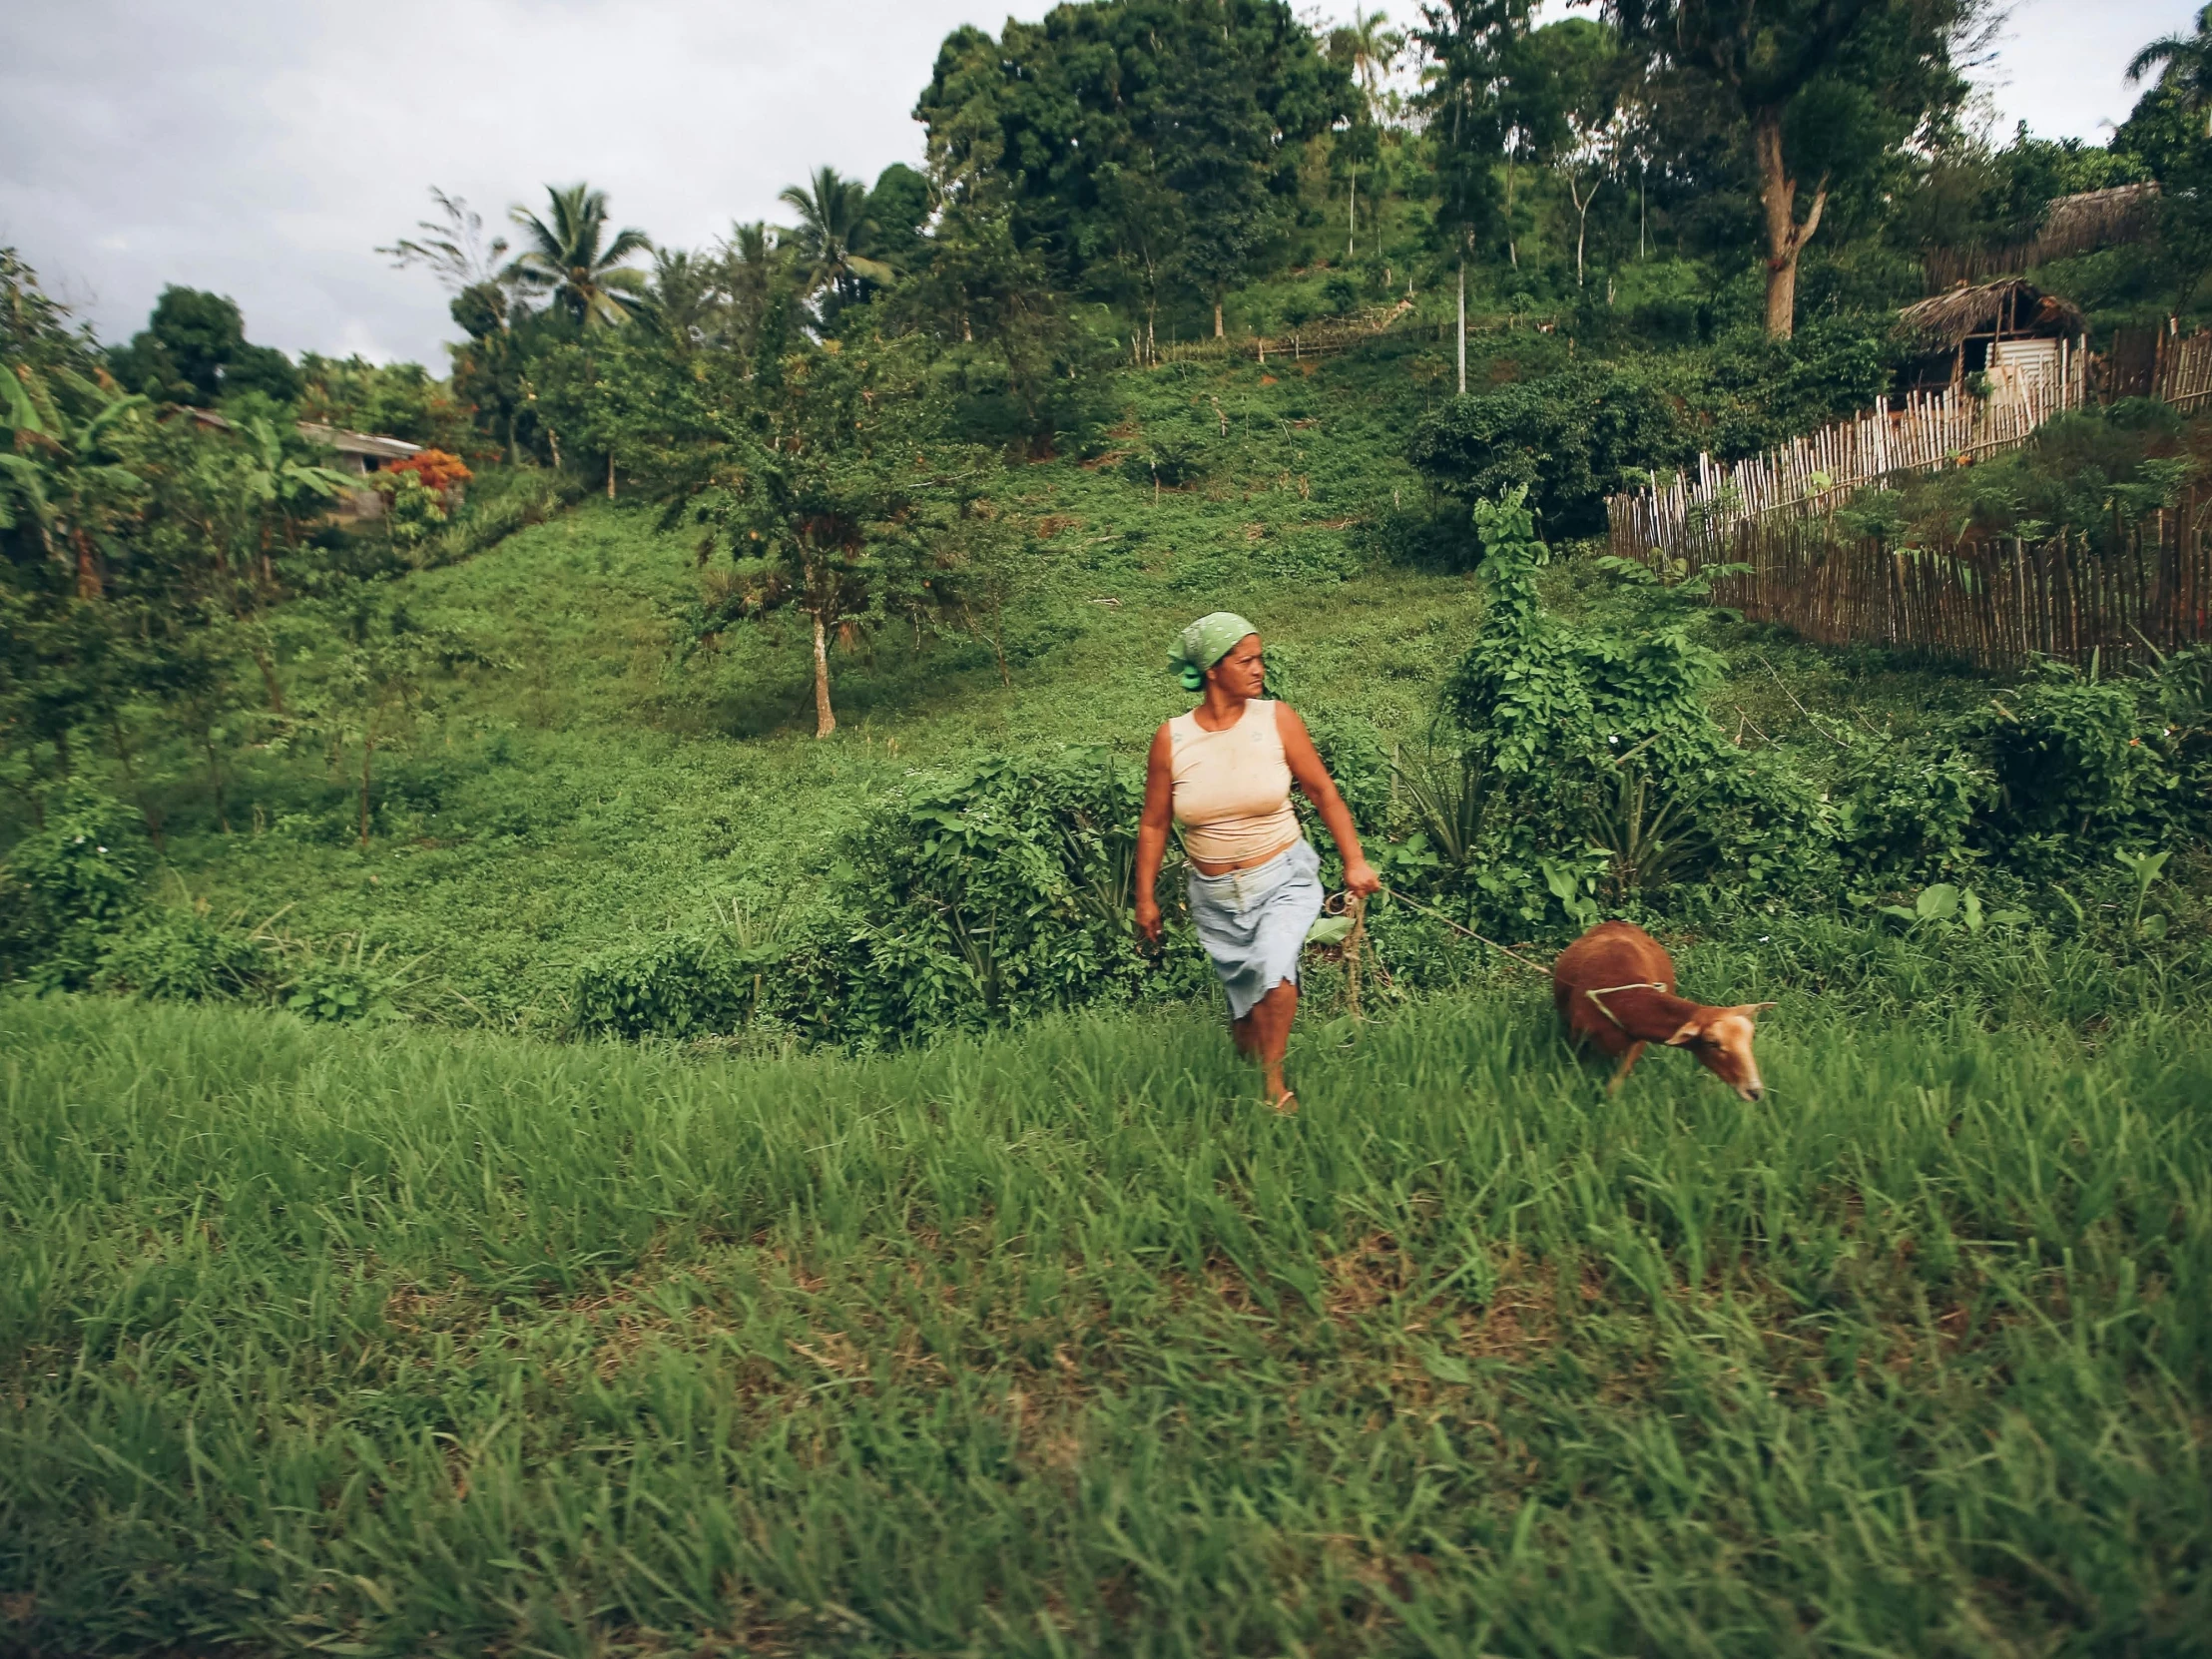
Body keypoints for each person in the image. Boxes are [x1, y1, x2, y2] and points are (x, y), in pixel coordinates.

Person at [1133, 612, 1381, 1112]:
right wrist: (1144, 900)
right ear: (1212, 669)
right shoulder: (1173, 739)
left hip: (1284, 875)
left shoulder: (1276, 719)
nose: (1258, 668)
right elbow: (1154, 824)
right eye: (1245, 659)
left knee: (1275, 967)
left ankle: (1274, 1087)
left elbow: (1322, 792)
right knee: (1247, 1021)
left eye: (1259, 658)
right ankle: (1253, 1046)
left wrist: (1353, 860)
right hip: (1215, 895)